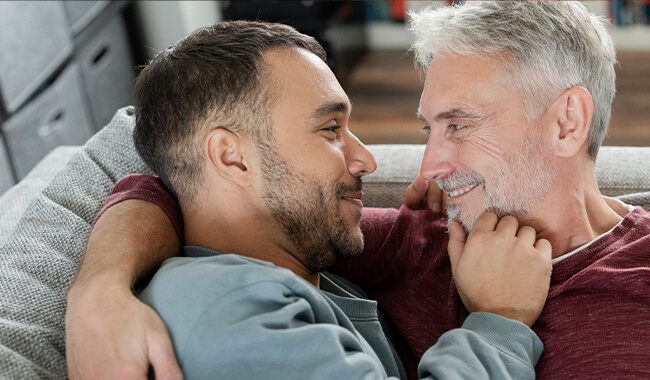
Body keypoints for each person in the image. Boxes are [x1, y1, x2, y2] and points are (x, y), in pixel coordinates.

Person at [66, 2, 650, 379]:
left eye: (458, 124)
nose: (428, 163)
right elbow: (162, 181)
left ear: (567, 120)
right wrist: (98, 287)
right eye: (428, 127)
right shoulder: (410, 243)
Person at [65, 20, 553, 380]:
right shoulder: (226, 311)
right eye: (329, 129)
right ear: (231, 158)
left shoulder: (294, 265)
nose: (365, 159)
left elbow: (141, 187)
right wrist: (500, 320)